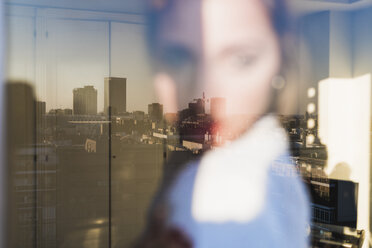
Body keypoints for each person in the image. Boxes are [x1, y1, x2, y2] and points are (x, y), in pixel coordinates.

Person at [135, 0, 310, 247]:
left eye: (241, 59)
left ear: (282, 58)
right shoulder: (273, 164)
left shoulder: (222, 189)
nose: (204, 94)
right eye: (178, 57)